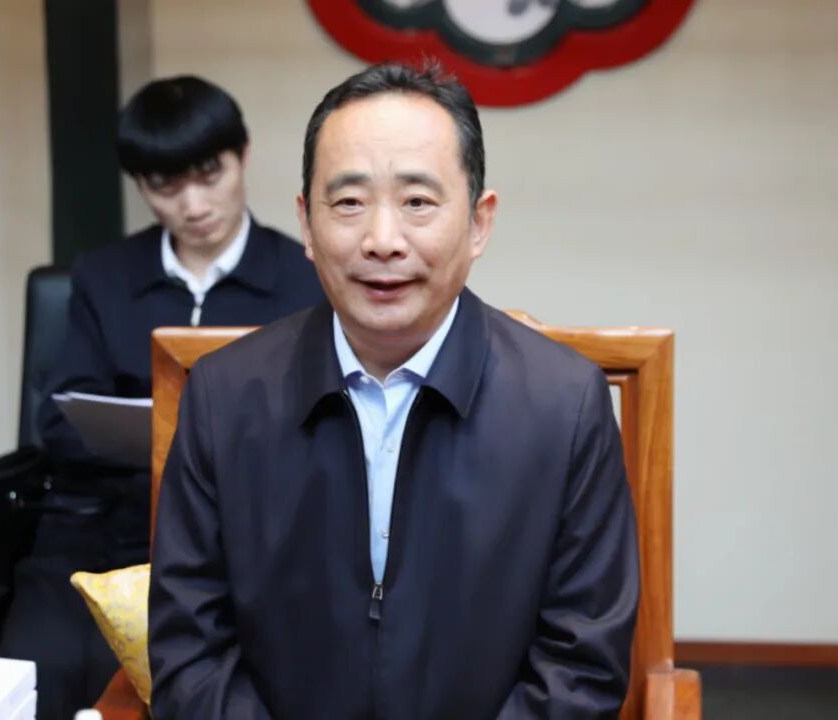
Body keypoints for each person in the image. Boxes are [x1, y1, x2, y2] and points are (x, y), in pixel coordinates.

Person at [149, 62, 639, 719]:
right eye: (349, 203)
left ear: (479, 222)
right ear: (306, 223)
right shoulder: (224, 396)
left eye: (418, 203)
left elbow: (581, 666)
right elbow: (190, 652)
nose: (383, 241)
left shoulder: (565, 405)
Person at [0, 75, 324, 720]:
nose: (193, 205)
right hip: (103, 526)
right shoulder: (105, 275)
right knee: (39, 668)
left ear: (243, 155)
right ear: (140, 186)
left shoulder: (304, 277)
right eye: (165, 187)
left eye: (209, 175)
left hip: (250, 531)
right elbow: (59, 422)